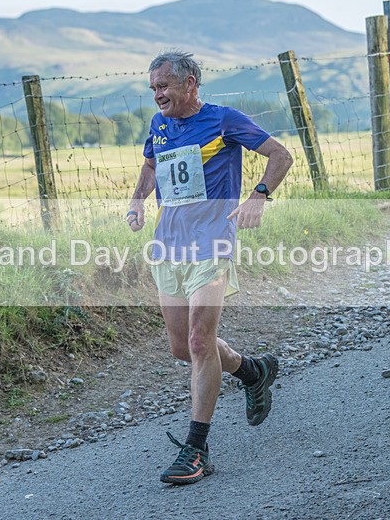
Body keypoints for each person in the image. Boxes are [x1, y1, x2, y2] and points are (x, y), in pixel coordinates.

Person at [127, 50, 293, 485]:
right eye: (153, 88)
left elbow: (280, 155)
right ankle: (252, 371)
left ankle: (196, 449)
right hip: (169, 245)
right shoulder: (159, 125)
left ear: (190, 83)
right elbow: (150, 165)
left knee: (201, 340)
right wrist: (137, 200)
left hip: (212, 242)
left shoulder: (223, 120)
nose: (157, 94)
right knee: (183, 348)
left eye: (164, 86)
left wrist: (258, 196)